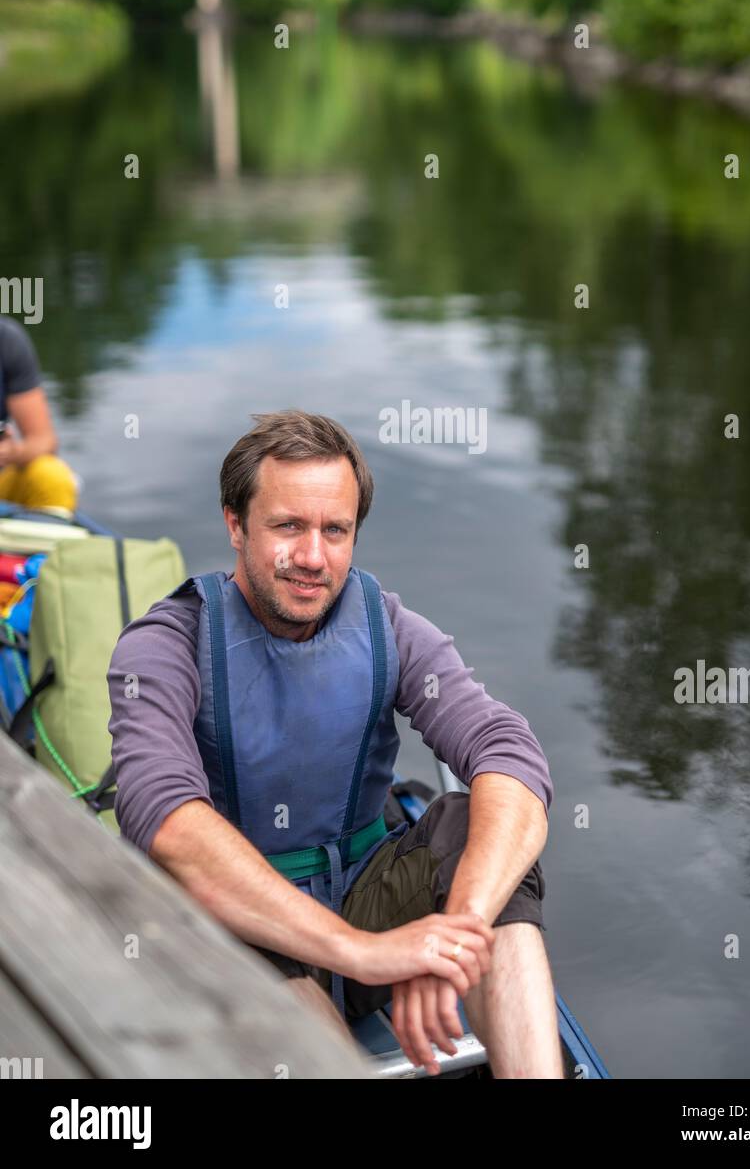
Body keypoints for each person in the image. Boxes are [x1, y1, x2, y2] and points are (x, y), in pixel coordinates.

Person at [107, 410, 562, 1078]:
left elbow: (509, 752)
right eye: (288, 526)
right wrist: (358, 952)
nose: (313, 558)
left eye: (335, 530)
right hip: (243, 924)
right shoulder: (165, 646)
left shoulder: (389, 627)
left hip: (367, 893)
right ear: (235, 524)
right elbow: (166, 821)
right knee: (257, 958)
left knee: (475, 826)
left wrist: (455, 933)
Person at [0, 317, 78, 515]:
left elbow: (44, 440)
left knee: (51, 477)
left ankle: (50, 532)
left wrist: (12, 452)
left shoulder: (6, 339)